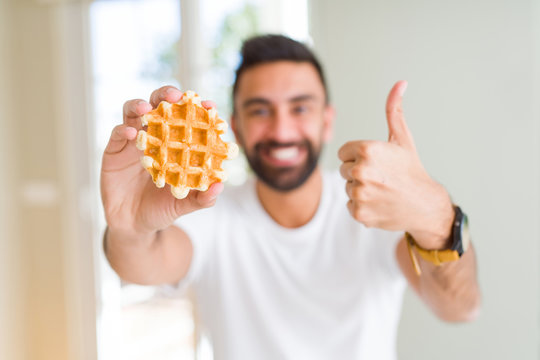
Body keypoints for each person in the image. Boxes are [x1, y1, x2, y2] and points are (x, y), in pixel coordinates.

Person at [100, 34, 480, 359]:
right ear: (235, 127)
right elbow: (142, 265)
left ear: (326, 120)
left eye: (300, 107)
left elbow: (460, 307)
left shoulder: (376, 204)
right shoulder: (211, 213)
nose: (282, 130)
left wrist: (436, 217)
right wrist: (129, 226)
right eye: (260, 110)